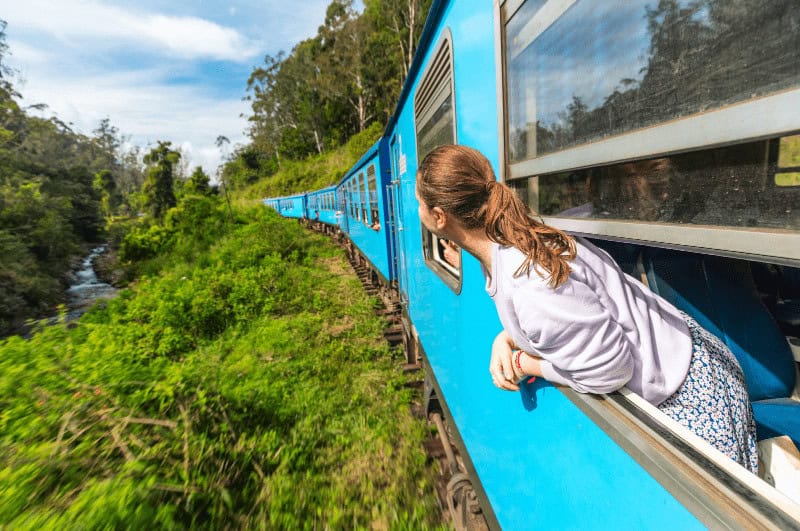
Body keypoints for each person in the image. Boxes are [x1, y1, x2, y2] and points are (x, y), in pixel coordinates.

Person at [415, 144, 758, 473]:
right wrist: (506, 338)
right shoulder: (512, 241)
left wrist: (525, 363)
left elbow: (609, 371)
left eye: (419, 203)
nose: (417, 211)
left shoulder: (527, 284)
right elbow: (574, 309)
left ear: (440, 217)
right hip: (686, 357)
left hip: (693, 395)